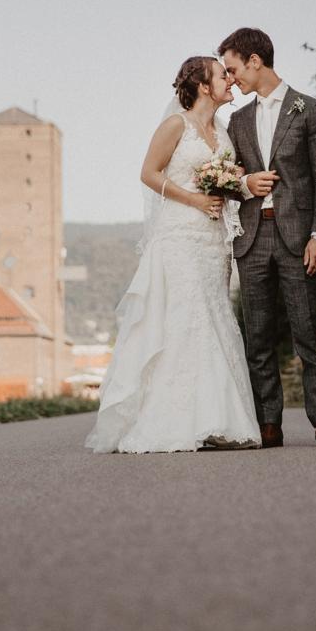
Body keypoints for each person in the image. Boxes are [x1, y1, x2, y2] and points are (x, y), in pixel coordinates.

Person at [85, 56, 261, 454]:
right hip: (180, 234)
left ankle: (217, 418)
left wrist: (235, 186)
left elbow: (230, 180)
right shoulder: (175, 124)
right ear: (203, 85)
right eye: (222, 75)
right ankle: (178, 419)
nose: (229, 80)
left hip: (214, 240)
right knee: (185, 319)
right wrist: (195, 199)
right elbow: (149, 172)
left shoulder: (224, 131)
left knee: (213, 315)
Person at [219, 27, 316, 449]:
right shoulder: (236, 121)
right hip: (252, 240)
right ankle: (268, 422)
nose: (231, 78)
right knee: (257, 335)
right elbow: (229, 177)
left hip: (299, 237)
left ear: (255, 61)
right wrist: (245, 182)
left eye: (234, 68)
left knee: (309, 331)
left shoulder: (311, 110)